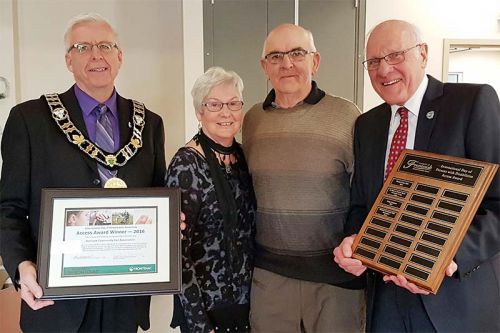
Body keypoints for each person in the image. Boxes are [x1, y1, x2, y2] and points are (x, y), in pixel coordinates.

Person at [0, 13, 166, 332]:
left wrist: (170, 223)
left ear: (119, 57)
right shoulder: (29, 120)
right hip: (56, 301)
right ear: (68, 60)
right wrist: (21, 266)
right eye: (82, 47)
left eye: (105, 46)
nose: (96, 55)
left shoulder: (150, 124)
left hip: (123, 299)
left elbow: (157, 199)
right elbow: (8, 208)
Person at [334, 19, 500, 332]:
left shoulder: (472, 103)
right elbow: (361, 206)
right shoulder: (367, 125)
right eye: (373, 62)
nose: (384, 71)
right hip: (386, 301)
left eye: (395, 55)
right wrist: (354, 243)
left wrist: (448, 258)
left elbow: (497, 204)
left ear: (422, 54)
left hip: (454, 300)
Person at [242, 24, 365, 332]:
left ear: (315, 61)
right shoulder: (252, 120)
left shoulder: (347, 115)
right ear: (264, 66)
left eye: (298, 53)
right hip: (270, 277)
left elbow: (366, 194)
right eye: (276, 56)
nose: (287, 64)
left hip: (335, 279)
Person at [166, 67, 256, 333]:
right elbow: (176, 252)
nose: (226, 113)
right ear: (199, 112)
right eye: (214, 104)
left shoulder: (245, 156)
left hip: (249, 305)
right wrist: (199, 323)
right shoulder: (186, 164)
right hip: (206, 310)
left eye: (233, 104)